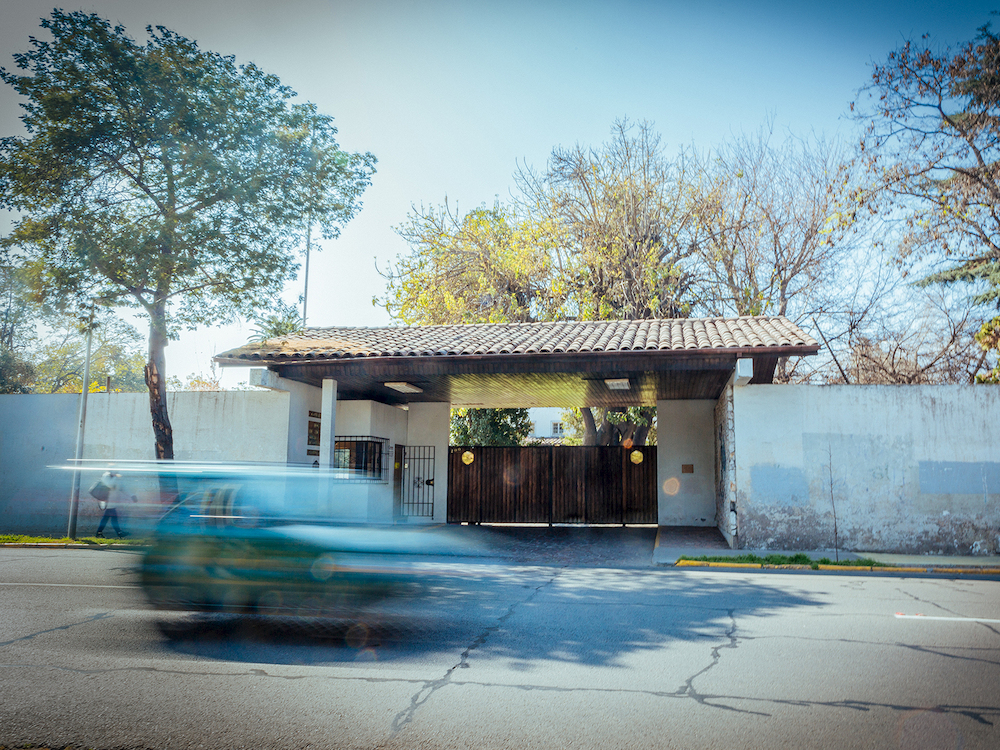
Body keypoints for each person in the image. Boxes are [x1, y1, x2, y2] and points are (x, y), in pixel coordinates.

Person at [92, 471, 136, 538]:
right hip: (107, 501)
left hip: (112, 501)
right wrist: (115, 477)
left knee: (107, 518)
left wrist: (132, 495)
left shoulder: (116, 478)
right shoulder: (106, 476)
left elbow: (122, 488)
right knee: (112, 518)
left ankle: (99, 533)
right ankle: (118, 532)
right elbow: (109, 485)